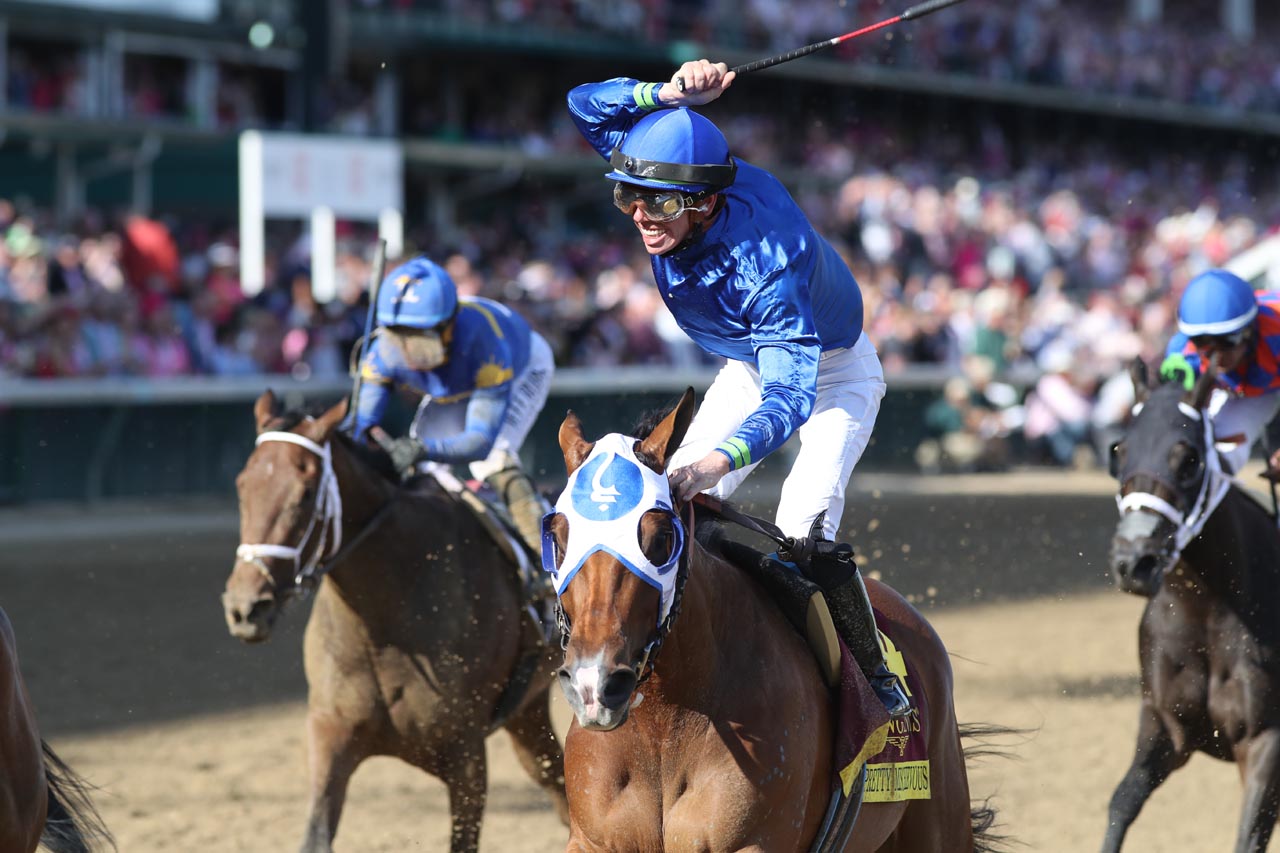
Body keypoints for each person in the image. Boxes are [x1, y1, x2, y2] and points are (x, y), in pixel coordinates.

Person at [567, 60, 909, 717]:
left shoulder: (765, 265)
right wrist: (663, 93)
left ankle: (871, 677)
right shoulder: (667, 177)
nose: (641, 214)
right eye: (627, 197)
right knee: (672, 507)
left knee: (800, 526)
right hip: (749, 364)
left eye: (659, 203)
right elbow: (583, 103)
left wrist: (717, 459)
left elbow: (790, 398)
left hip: (829, 372)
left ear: (706, 201)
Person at [352, 255, 555, 573]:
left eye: (417, 336)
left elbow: (479, 441)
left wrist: (421, 449)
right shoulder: (382, 352)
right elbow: (359, 427)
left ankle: (546, 567)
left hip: (521, 369)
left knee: (494, 461)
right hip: (453, 384)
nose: (405, 350)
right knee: (422, 474)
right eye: (396, 334)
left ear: (447, 327)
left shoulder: (487, 348)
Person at [1161, 268, 1280, 476]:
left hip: (1267, 373)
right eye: (1202, 342)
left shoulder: (1275, 333)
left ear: (1250, 329)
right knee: (1219, 447)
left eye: (1227, 341)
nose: (1216, 354)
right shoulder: (1183, 355)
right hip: (1252, 389)